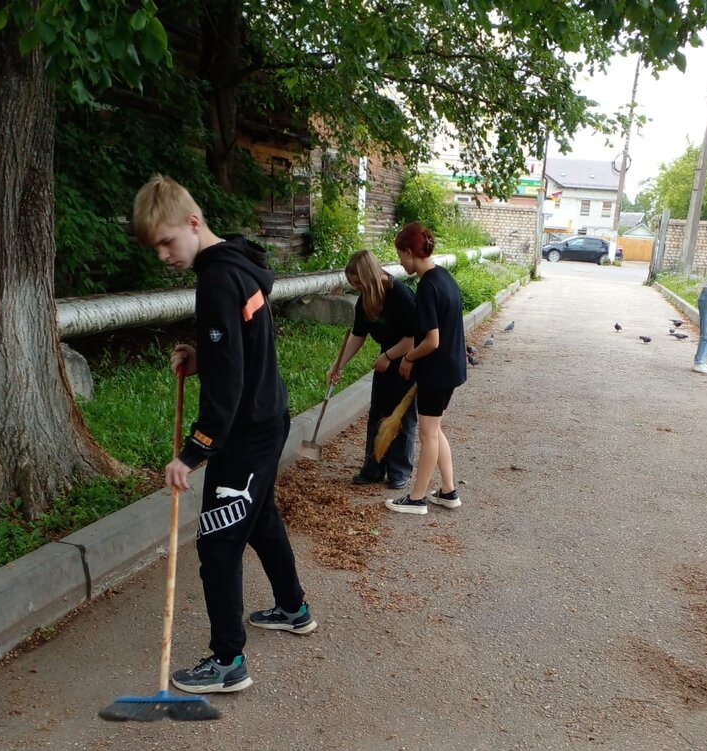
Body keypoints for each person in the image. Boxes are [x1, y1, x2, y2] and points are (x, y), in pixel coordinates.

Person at [132, 174, 316, 696]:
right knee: (258, 520)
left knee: (216, 542)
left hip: (244, 432)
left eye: (167, 241)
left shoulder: (215, 281)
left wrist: (191, 454)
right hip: (267, 418)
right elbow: (238, 348)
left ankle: (228, 659)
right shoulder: (238, 263)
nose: (164, 254)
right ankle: (293, 607)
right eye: (156, 248)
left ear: (193, 223)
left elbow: (229, 386)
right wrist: (202, 356)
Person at [385, 222, 466, 516]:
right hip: (451, 368)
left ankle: (417, 498)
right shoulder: (443, 276)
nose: (399, 261)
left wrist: (408, 359)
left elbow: (432, 341)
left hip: (438, 370)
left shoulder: (427, 287)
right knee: (435, 429)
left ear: (409, 252)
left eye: (399, 255)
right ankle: (448, 491)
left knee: (428, 433)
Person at [328, 250, 417, 489]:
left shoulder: (399, 294)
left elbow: (413, 337)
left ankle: (399, 471)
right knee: (378, 411)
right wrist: (338, 365)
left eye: (358, 282)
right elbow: (358, 335)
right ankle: (374, 467)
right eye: (352, 284)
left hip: (409, 357)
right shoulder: (365, 299)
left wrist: (389, 356)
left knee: (401, 414)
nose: (355, 287)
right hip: (387, 355)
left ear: (368, 276)